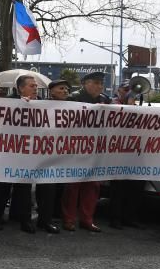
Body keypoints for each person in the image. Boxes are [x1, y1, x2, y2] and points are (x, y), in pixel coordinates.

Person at [61, 71, 108, 232]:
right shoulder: (73, 98)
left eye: (101, 83)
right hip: (75, 148)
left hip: (94, 149)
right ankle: (69, 219)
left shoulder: (104, 100)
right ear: (85, 83)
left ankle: (87, 219)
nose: (99, 86)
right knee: (73, 186)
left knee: (92, 185)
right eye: (96, 82)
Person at [34, 80, 71, 233]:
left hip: (62, 153)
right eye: (61, 88)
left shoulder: (72, 106)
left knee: (58, 188)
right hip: (45, 154)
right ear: (52, 92)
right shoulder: (42, 105)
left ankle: (52, 216)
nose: (65, 91)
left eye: (67, 89)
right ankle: (44, 220)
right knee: (47, 189)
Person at [4, 75, 39, 234]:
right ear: (21, 88)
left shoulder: (41, 103)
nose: (35, 88)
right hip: (9, 150)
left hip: (28, 151)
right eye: (32, 86)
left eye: (36, 86)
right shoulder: (8, 101)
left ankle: (25, 219)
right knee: (4, 186)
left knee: (25, 186)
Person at [109, 80, 144, 229]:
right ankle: (115, 218)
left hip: (134, 155)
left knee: (134, 188)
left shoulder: (139, 109)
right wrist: (130, 102)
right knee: (118, 189)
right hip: (117, 154)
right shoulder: (112, 105)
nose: (129, 92)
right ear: (119, 91)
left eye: (132, 90)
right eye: (126, 89)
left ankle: (130, 217)